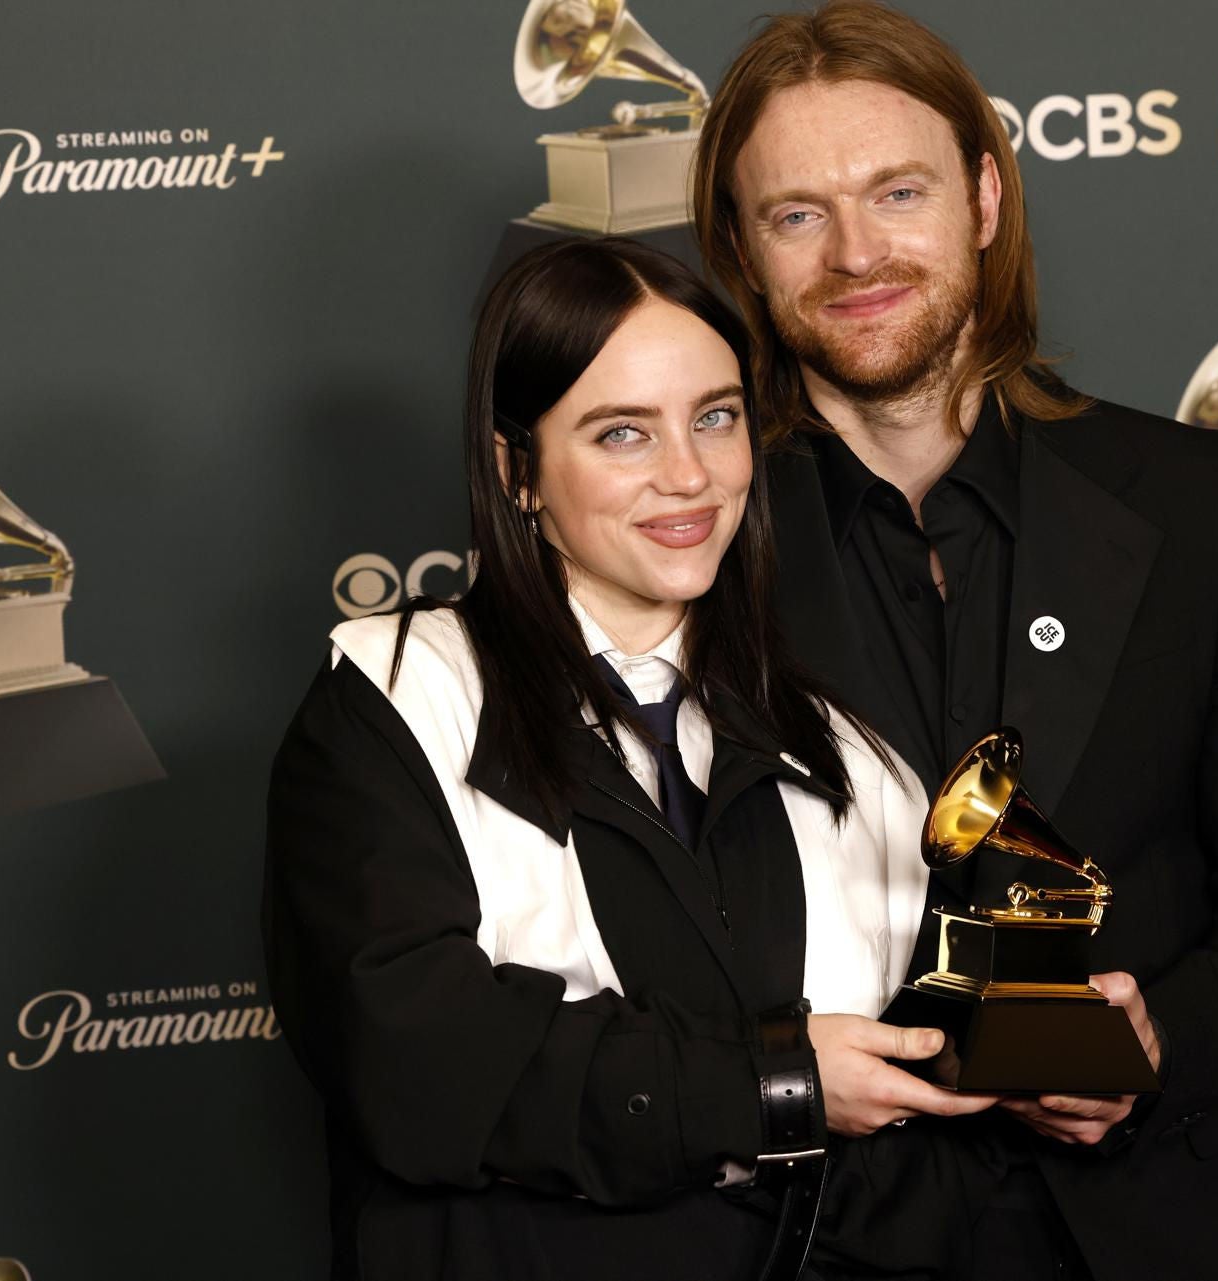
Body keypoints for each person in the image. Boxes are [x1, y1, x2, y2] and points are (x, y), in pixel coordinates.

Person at [691, 4, 1218, 1278]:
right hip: (828, 1236)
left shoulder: (1200, 505)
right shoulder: (691, 546)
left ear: (986, 200)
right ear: (740, 247)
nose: (856, 252)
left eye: (899, 192)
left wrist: (1158, 1039)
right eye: (797, 214)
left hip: (1176, 1222)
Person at [261, 236, 1000, 1281]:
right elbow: (415, 1058)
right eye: (623, 434)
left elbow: (913, 1069)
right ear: (518, 470)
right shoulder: (395, 698)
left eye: (716, 417)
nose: (688, 474)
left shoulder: (837, 731)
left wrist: (1034, 1055)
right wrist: (767, 1085)